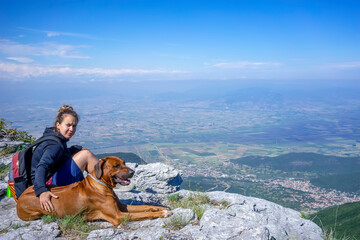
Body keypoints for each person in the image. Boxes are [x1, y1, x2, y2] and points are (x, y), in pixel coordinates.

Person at [31, 105, 99, 212]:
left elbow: (60, 155)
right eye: (68, 125)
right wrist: (42, 191)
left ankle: (107, 179)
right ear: (58, 125)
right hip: (49, 185)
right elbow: (42, 166)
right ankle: (109, 180)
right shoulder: (54, 145)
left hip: (49, 180)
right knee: (86, 155)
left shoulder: (54, 137)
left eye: (74, 126)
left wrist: (75, 149)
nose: (71, 129)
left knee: (82, 152)